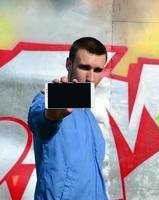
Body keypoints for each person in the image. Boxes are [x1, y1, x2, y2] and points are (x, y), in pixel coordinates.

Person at [28, 37, 108, 200]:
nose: (91, 78)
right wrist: (52, 115)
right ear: (69, 64)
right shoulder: (46, 100)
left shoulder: (90, 119)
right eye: (84, 67)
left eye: (98, 70)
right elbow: (41, 123)